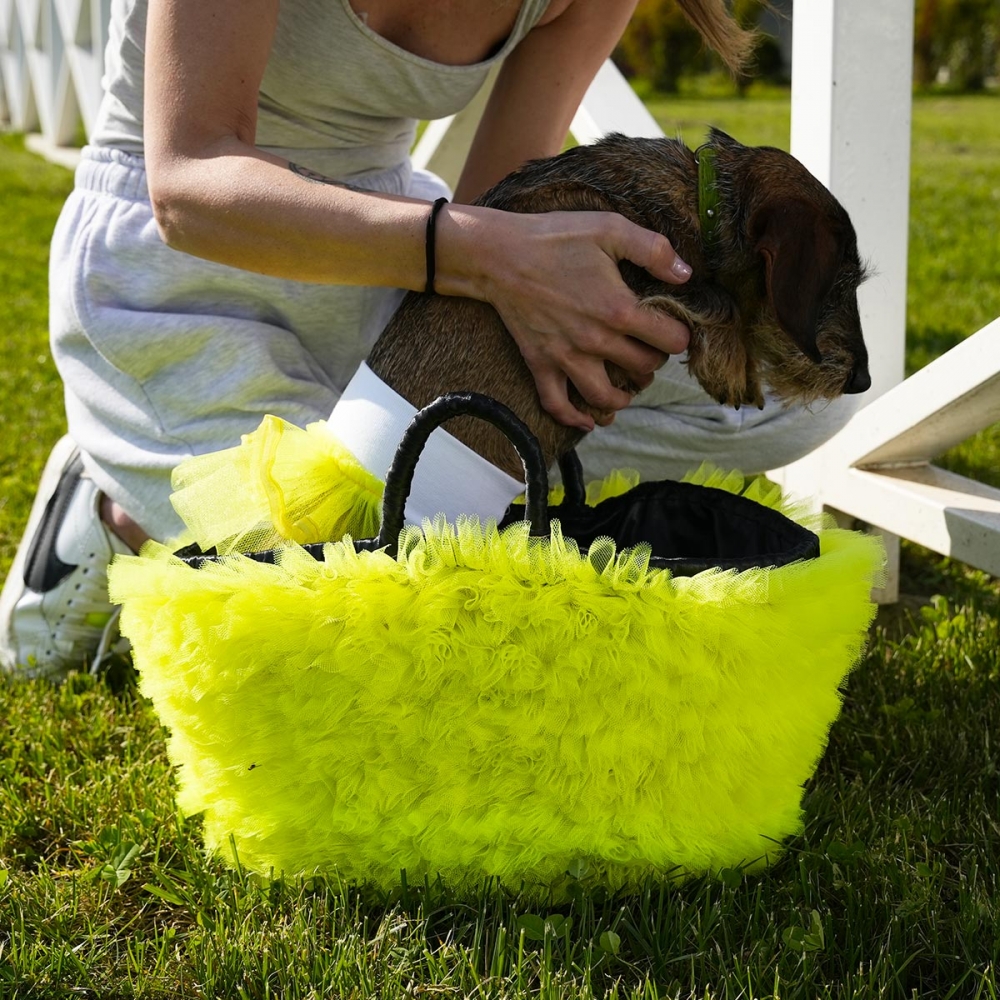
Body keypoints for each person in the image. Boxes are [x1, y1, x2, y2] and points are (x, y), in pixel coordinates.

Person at [0, 0, 858, 681]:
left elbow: (504, 199)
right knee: (330, 624)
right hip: (186, 274)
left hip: (405, 265)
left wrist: (558, 305)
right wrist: (484, 256)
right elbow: (186, 183)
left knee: (771, 412)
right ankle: (112, 498)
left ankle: (408, 481)